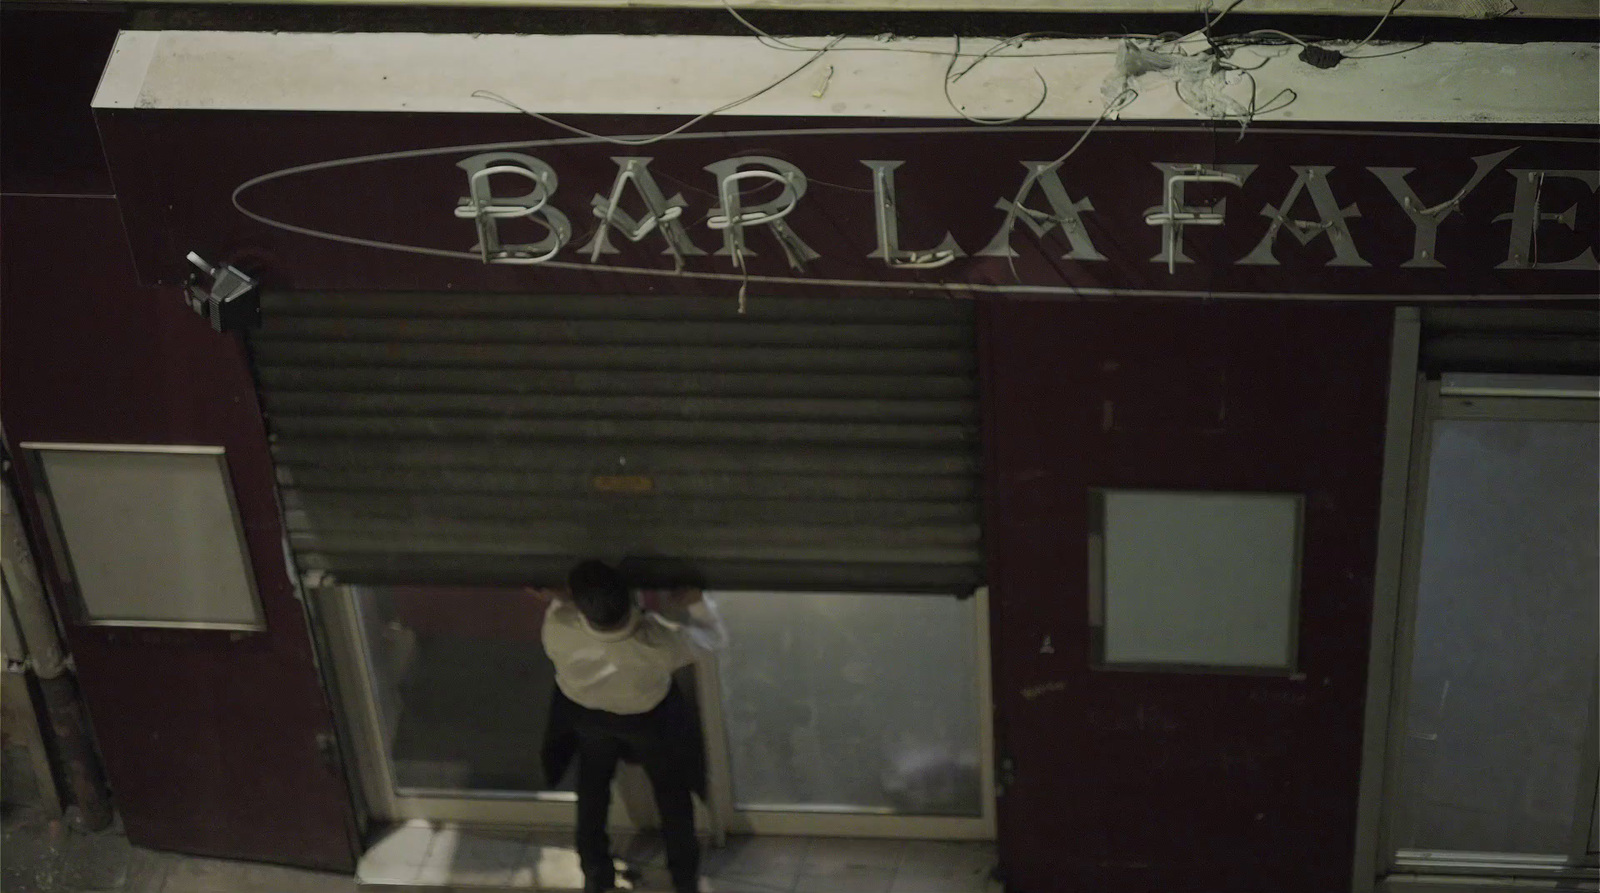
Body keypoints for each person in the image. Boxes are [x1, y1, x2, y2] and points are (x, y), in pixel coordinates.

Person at [538, 559, 727, 893]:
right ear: (630, 599)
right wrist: (697, 602)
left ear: (580, 605)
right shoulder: (659, 643)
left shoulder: (558, 627)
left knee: (592, 793)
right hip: (649, 720)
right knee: (672, 796)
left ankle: (596, 874)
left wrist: (560, 598)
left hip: (588, 717)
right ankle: (684, 879)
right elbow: (713, 639)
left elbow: (563, 609)